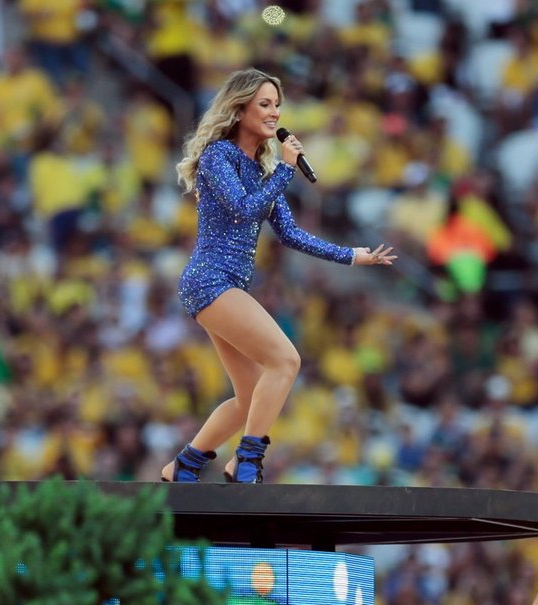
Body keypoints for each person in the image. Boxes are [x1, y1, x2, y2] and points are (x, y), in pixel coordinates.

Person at [162, 68, 397, 484]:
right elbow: (242, 209)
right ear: (239, 110)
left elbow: (288, 233)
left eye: (277, 105)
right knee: (286, 360)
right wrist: (285, 171)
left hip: (225, 285)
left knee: (250, 396)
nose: (275, 113)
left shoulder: (261, 171)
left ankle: (184, 466)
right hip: (210, 279)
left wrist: (350, 256)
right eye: (264, 104)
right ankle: (246, 462)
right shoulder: (219, 156)